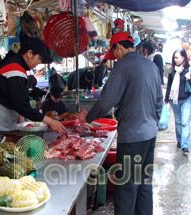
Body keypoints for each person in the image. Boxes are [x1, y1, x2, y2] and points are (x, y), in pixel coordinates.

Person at [77, 31, 163, 215]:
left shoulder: (123, 66)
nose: (113, 57)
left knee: (126, 187)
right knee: (143, 183)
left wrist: (88, 118)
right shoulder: (150, 65)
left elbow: (106, 100)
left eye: (113, 52)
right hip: (150, 134)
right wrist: (152, 122)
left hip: (132, 136)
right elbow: (159, 101)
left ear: (119, 47)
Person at [0, 37, 66, 143]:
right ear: (29, 53)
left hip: (1, 117)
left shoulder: (17, 68)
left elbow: (17, 102)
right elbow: (22, 106)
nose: (39, 63)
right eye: (39, 58)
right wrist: (49, 121)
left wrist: (23, 125)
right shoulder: (15, 69)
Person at [164, 48, 191, 156]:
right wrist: (166, 99)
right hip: (174, 100)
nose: (175, 60)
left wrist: (189, 79)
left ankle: (185, 146)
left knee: (185, 122)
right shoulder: (172, 71)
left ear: (183, 57)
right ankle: (180, 140)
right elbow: (169, 86)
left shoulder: (190, 70)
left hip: (187, 99)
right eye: (174, 58)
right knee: (178, 121)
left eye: (177, 57)